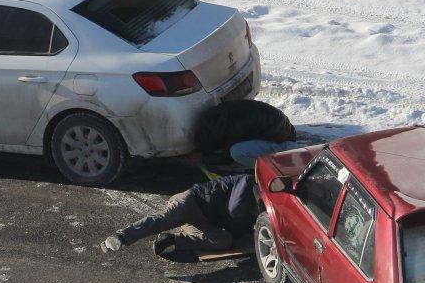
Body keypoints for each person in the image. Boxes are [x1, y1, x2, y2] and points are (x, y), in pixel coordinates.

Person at [102, 173, 259, 256]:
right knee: (160, 220)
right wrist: (256, 217)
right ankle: (121, 236)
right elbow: (234, 209)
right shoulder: (248, 180)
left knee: (223, 241)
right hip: (191, 203)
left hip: (205, 220)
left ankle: (172, 239)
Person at [194, 100, 301, 170]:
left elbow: (228, 157)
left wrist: (202, 159)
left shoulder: (233, 129)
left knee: (236, 153)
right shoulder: (226, 112)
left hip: (285, 144)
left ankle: (270, 171)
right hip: (284, 129)